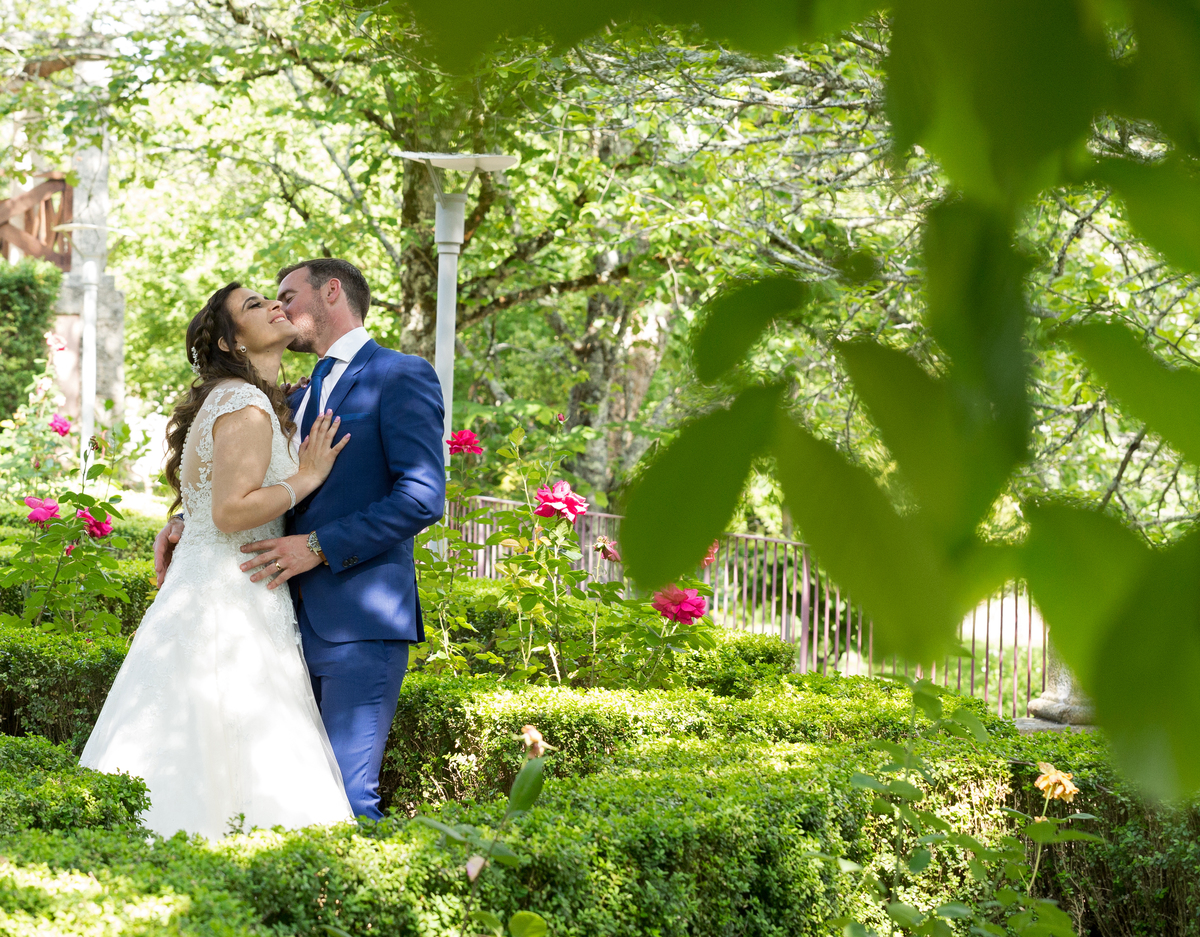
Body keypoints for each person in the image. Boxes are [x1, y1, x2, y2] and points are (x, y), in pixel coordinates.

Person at [154, 259, 445, 821]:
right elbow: (247, 485)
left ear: (331, 292)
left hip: (356, 623)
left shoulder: (400, 375)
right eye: (268, 302)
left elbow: (421, 497)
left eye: (286, 296)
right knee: (267, 790)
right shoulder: (286, 391)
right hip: (274, 621)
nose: (278, 307)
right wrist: (189, 524)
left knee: (343, 795)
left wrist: (316, 546)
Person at [82, 282, 354, 838]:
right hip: (230, 596)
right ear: (232, 343)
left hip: (221, 584)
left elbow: (209, 503)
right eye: (255, 305)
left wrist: (183, 521)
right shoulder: (245, 402)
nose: (276, 305)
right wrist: (306, 477)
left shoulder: (249, 400)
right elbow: (231, 511)